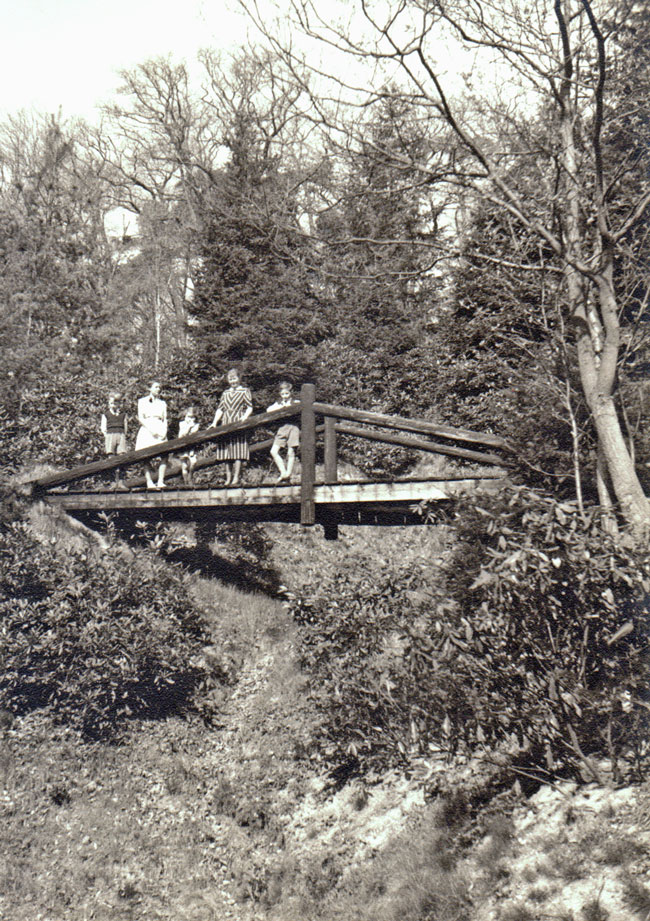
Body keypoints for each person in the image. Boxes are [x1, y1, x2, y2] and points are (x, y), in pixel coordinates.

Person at [210, 368, 253, 486]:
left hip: (238, 421)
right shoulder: (226, 393)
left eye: (234, 378)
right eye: (230, 379)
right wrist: (215, 422)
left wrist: (244, 417)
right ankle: (228, 478)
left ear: (239, 378)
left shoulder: (245, 391)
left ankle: (236, 478)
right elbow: (220, 409)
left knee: (238, 449)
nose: (233, 381)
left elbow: (249, 407)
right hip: (226, 421)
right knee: (226, 451)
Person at [135, 381, 168, 489]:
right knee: (145, 456)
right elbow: (140, 418)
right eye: (156, 387)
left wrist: (164, 432)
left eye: (159, 387)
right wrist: (151, 430)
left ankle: (160, 481)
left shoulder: (163, 403)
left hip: (160, 428)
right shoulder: (142, 401)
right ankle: (149, 482)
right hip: (147, 429)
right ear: (150, 389)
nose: (158, 389)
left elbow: (165, 419)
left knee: (164, 454)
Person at [267, 381, 300, 483]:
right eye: (283, 394)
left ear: (290, 393)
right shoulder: (279, 403)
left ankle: (288, 474)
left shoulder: (295, 402)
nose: (285, 396)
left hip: (293, 427)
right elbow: (269, 410)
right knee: (273, 451)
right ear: (280, 394)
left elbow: (301, 406)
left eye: (287, 394)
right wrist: (280, 407)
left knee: (291, 452)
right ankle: (283, 472)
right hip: (282, 428)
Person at [100, 391, 128, 490]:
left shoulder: (123, 415)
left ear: (119, 403)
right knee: (111, 458)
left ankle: (120, 481)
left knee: (122, 457)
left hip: (120, 435)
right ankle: (112, 482)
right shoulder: (106, 414)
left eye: (115, 403)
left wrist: (122, 435)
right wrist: (108, 436)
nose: (113, 405)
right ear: (109, 404)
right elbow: (103, 428)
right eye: (111, 403)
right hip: (110, 435)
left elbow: (125, 427)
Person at [178, 405, 200, 487]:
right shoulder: (181, 424)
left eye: (192, 417)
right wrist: (188, 427)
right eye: (188, 417)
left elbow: (193, 433)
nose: (190, 419)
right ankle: (186, 481)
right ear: (185, 416)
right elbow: (181, 435)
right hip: (183, 446)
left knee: (193, 462)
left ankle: (190, 475)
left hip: (191, 447)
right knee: (184, 465)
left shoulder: (196, 425)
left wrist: (191, 426)